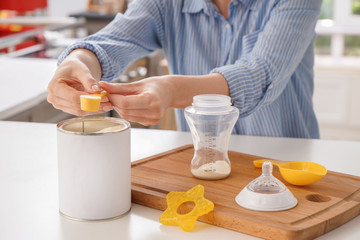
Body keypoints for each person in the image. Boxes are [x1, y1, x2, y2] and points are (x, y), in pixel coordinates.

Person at [47, 0, 322, 138]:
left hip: (287, 161)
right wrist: (79, 60)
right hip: (200, 165)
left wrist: (172, 89)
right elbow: (115, 39)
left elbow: (261, 74)